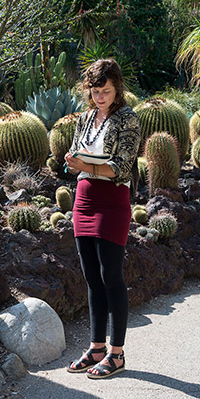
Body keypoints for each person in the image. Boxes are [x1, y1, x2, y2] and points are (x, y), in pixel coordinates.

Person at [64, 58, 140, 379]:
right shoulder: (84, 118)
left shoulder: (128, 120)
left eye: (106, 91)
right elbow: (72, 161)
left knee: (112, 277)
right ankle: (96, 347)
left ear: (117, 88)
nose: (100, 97)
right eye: (95, 91)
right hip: (83, 200)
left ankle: (117, 354)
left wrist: (88, 167)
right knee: (92, 279)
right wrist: (72, 163)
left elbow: (121, 167)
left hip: (112, 201)